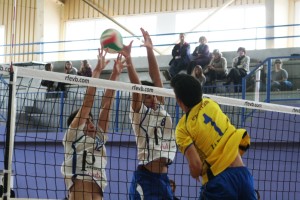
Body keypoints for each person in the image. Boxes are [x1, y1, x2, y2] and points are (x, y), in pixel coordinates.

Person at [170, 73, 257, 200]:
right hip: (243, 175)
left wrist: (194, 172)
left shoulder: (182, 128)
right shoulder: (210, 103)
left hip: (220, 182)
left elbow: (196, 166)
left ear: (179, 100)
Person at [121, 28, 177, 199]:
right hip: (146, 179)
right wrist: (129, 59)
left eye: (152, 95)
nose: (152, 98)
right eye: (147, 97)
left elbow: (156, 78)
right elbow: (137, 89)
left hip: (163, 178)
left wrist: (149, 49)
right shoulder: (139, 113)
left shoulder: (159, 107)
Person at [61, 49, 124, 200]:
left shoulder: (99, 137)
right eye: (86, 121)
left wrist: (115, 73)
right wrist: (96, 71)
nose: (90, 123)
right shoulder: (72, 136)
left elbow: (107, 103)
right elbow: (88, 102)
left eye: (91, 120)